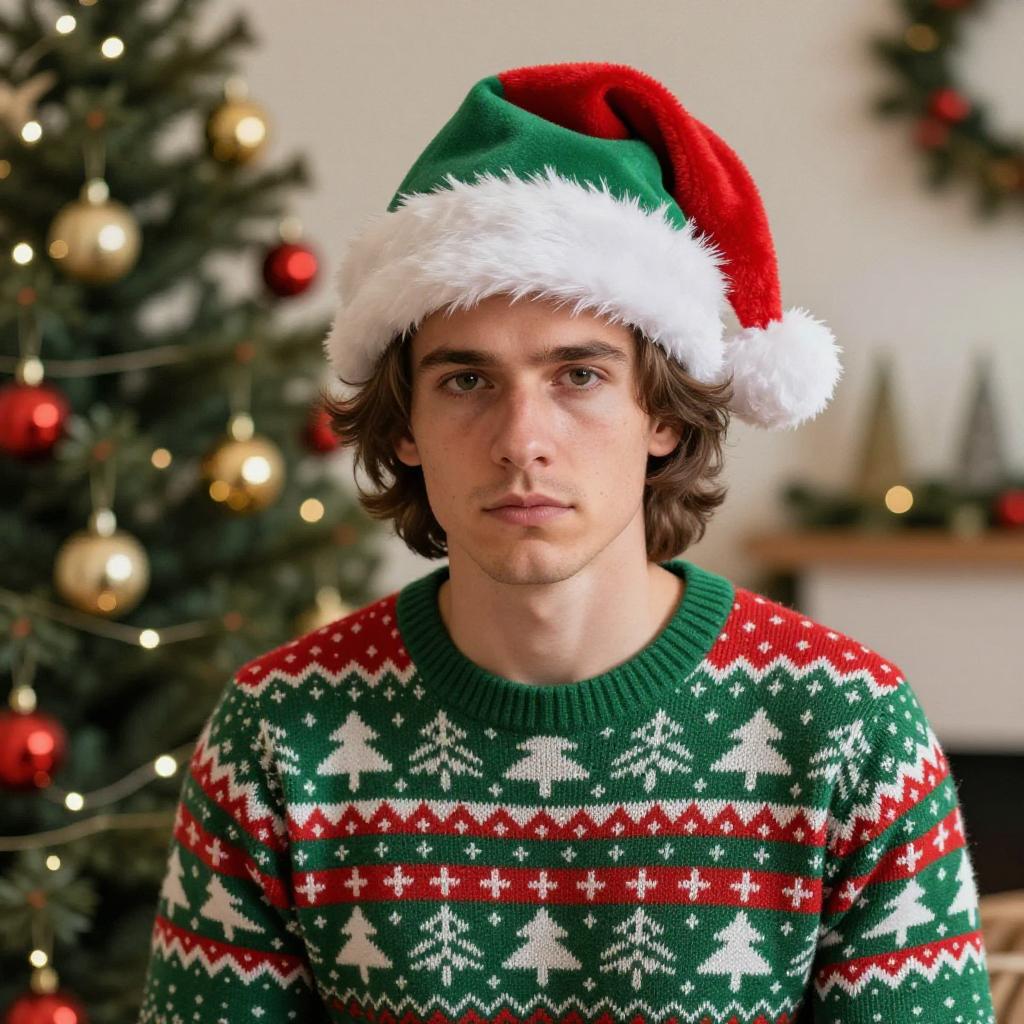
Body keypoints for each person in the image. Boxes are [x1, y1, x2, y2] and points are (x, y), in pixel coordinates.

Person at [137, 62, 995, 1023]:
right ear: (406, 424)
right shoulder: (276, 735)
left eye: (578, 376)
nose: (521, 441)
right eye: (467, 381)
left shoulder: (851, 728)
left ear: (662, 415)